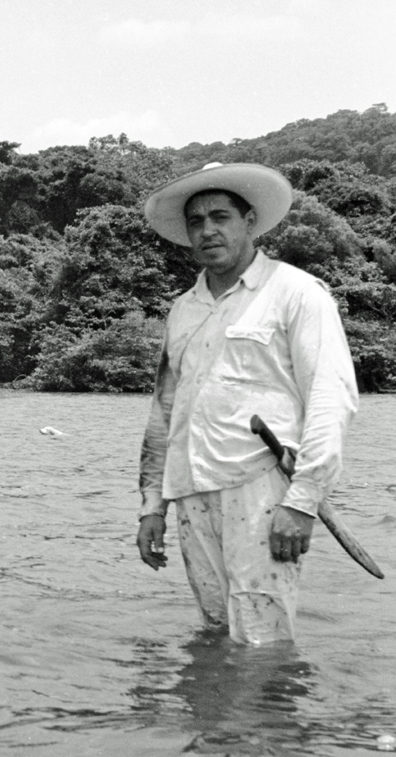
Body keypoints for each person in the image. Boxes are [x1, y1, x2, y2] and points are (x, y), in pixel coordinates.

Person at [136, 162, 358, 645]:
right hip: (192, 490)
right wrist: (152, 505)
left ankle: (270, 723)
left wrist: (303, 500)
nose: (207, 230)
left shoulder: (295, 292)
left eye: (221, 216)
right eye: (196, 221)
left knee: (263, 640)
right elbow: (164, 412)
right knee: (216, 635)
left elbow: (331, 395)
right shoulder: (183, 308)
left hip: (263, 488)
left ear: (250, 221)